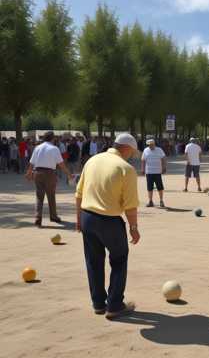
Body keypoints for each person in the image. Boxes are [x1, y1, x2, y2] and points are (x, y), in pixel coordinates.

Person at [75, 133, 140, 320]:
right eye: (132, 152)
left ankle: (98, 303)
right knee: (119, 259)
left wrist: (79, 219)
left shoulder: (92, 161)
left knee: (93, 261)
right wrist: (133, 228)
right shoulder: (125, 168)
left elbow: (78, 193)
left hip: (87, 216)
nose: (132, 155)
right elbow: (130, 205)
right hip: (109, 220)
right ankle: (114, 305)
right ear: (126, 148)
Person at [26, 131, 73, 228]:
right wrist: (68, 174)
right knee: (51, 195)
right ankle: (53, 216)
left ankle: (38, 218)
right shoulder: (54, 148)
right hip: (49, 173)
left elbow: (32, 162)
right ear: (53, 138)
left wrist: (29, 173)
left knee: (39, 196)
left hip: (37, 173)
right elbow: (61, 164)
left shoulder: (37, 147)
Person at [141, 139, 166, 208]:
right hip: (149, 172)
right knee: (149, 188)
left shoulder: (159, 150)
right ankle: (150, 201)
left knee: (160, 187)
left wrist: (164, 167)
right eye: (149, 145)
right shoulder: (146, 150)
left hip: (157, 172)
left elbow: (163, 158)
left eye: (151, 144)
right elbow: (143, 160)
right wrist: (142, 169)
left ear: (154, 144)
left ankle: (161, 201)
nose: (150, 146)